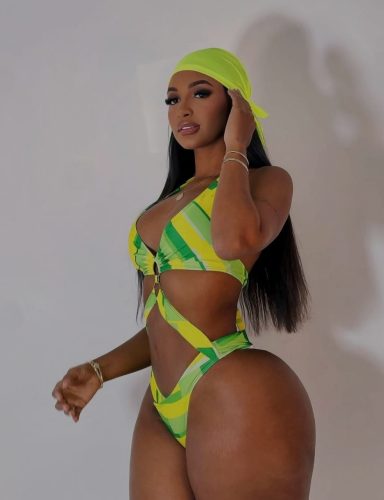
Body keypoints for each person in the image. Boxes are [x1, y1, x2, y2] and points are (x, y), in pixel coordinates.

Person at [52, 47, 316, 499]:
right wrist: (100, 369)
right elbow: (169, 319)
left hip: (233, 385)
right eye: (172, 99)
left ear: (236, 103)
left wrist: (237, 147)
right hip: (162, 402)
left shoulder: (266, 182)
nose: (183, 109)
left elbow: (233, 241)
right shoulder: (168, 200)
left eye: (201, 93)